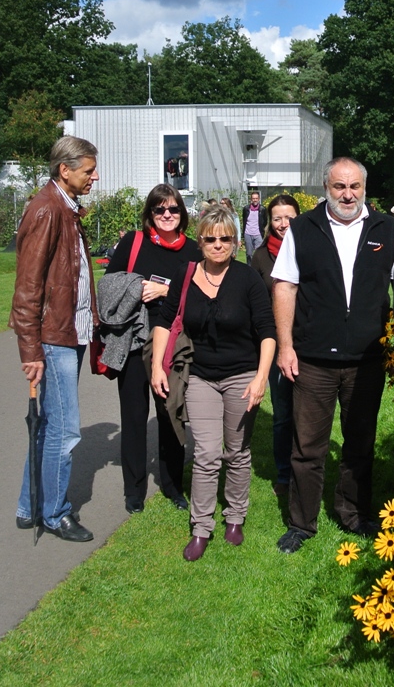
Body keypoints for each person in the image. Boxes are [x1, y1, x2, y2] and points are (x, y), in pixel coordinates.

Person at [271, 157, 394, 554]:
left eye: (354, 187)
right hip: (312, 359)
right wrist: (285, 346)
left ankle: (354, 514)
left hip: (367, 357)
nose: (347, 194)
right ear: (325, 188)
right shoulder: (303, 228)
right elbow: (284, 287)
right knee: (307, 447)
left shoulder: (388, 229)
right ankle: (301, 523)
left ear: (365, 188)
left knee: (359, 443)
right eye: (338, 187)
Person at [151, 206, 276, 561]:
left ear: (236, 243)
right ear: (200, 241)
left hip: (241, 375)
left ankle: (235, 516)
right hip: (201, 376)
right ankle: (201, 526)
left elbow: (267, 330)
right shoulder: (185, 274)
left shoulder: (248, 279)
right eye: (210, 239)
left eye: (225, 239)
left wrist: (261, 377)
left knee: (236, 451)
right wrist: (159, 367)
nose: (218, 245)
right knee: (206, 453)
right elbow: (164, 321)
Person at [10, 135, 100, 542]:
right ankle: (55, 513)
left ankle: (31, 506)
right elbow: (27, 289)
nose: (94, 177)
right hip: (54, 338)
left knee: (48, 427)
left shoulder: (66, 209)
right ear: (64, 170)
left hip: (70, 333)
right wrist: (31, 350)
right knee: (64, 431)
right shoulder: (47, 210)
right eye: (88, 170)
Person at [105, 187, 200, 514]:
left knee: (170, 413)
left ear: (182, 213)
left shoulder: (193, 250)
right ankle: (133, 491)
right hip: (133, 341)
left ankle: (173, 486)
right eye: (160, 211)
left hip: (173, 344)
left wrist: (165, 289)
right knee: (132, 417)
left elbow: (204, 292)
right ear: (150, 214)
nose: (167, 216)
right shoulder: (133, 243)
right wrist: (135, 287)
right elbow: (108, 285)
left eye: (173, 209)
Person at [249, 193, 300, 496]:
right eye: (278, 218)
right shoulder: (261, 257)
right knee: (282, 412)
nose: (283, 224)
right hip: (277, 342)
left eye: (289, 217)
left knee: (307, 412)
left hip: (308, 342)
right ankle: (284, 473)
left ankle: (306, 467)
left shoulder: (309, 248)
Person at [240, 190, 267, 264]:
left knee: (260, 253)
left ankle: (259, 267)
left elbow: (265, 221)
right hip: (248, 233)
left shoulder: (262, 209)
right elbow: (244, 219)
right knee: (249, 254)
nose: (255, 200)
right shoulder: (246, 209)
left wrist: (261, 230)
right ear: (251, 199)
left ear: (258, 199)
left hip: (258, 234)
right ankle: (249, 268)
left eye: (256, 198)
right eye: (253, 198)